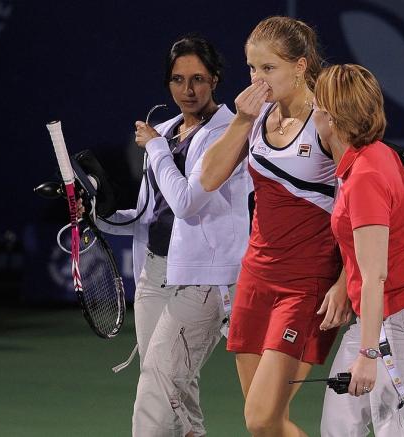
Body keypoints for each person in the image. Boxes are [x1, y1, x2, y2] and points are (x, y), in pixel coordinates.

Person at [200, 16, 351, 437]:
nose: (258, 79)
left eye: (269, 69)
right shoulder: (256, 115)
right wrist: (240, 121)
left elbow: (358, 208)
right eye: (252, 68)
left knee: (262, 417)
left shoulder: (327, 122)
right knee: (266, 426)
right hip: (255, 279)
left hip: (306, 285)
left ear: (301, 66)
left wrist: (344, 281)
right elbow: (208, 179)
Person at [96, 35, 251, 437]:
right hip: (154, 275)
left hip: (203, 280)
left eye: (198, 78)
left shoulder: (227, 134)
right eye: (178, 80)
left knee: (157, 385)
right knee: (172, 390)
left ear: (215, 79)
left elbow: (186, 203)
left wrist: (156, 149)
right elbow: (152, 214)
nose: (188, 90)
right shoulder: (165, 131)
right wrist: (99, 216)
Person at [312, 64, 404, 436]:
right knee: (338, 427)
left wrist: (369, 356)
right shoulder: (369, 157)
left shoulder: (367, 176)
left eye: (317, 107)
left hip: (401, 325)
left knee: (400, 431)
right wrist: (343, 284)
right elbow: (366, 252)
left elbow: (375, 275)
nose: (313, 115)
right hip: (375, 320)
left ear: (332, 118)